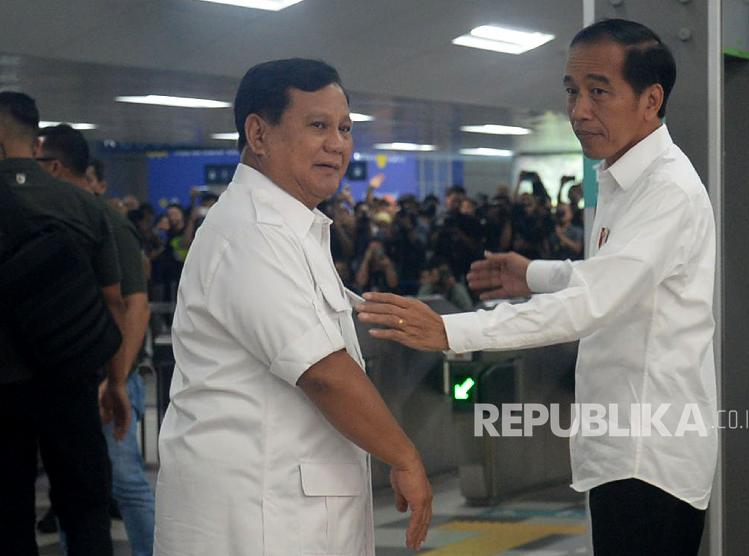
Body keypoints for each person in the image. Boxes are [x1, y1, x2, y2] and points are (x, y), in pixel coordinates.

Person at [356, 19, 716, 556]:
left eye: (599, 91)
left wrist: (451, 330)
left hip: (649, 457)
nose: (578, 111)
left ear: (650, 100)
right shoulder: (624, 178)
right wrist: (533, 274)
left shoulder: (665, 190)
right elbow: (614, 280)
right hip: (623, 447)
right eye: (572, 91)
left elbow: (592, 304)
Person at [153, 58, 431, 556]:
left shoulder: (292, 229)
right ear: (258, 134)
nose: (338, 144)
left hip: (286, 508)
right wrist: (405, 457)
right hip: (257, 515)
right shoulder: (253, 231)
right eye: (318, 126)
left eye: (345, 129)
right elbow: (323, 371)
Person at [0, 91, 130, 556]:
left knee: (8, 514)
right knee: (85, 507)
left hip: (4, 389)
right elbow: (113, 301)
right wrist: (114, 381)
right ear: (34, 142)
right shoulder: (84, 205)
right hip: (71, 381)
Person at [39, 124, 156, 556]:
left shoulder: (106, 220)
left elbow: (135, 305)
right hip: (75, 377)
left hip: (112, 376)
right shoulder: (52, 217)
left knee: (124, 482)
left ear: (54, 165)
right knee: (76, 488)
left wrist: (117, 378)